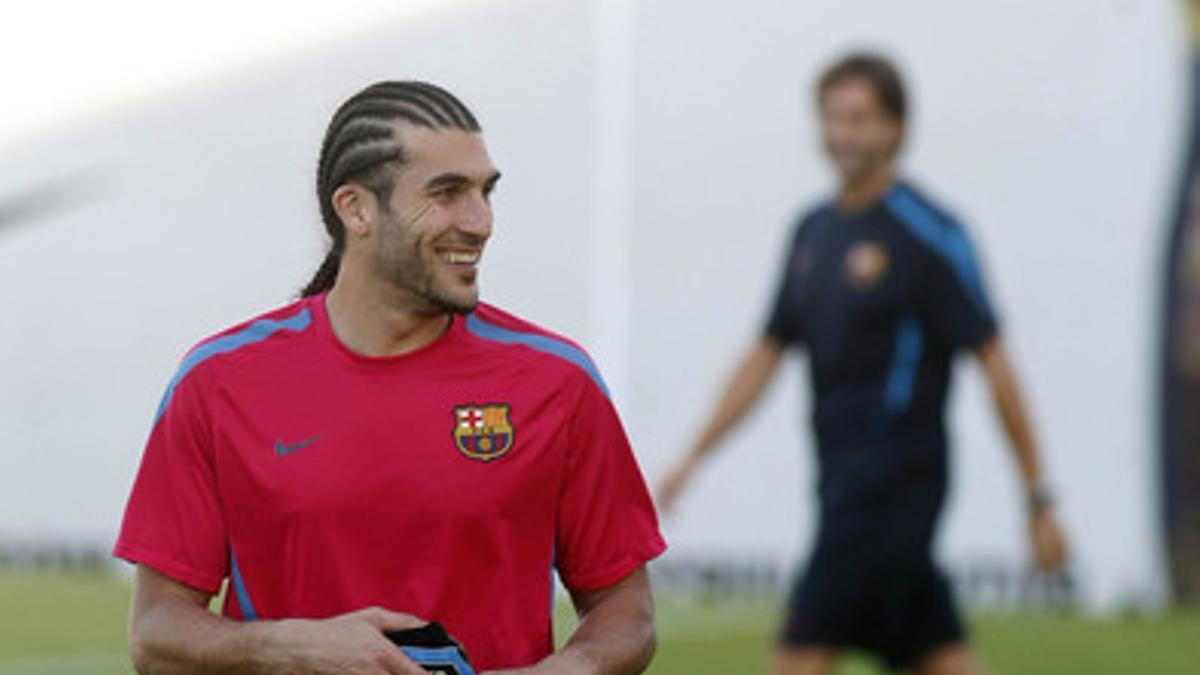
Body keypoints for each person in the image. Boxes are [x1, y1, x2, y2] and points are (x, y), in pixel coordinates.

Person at [114, 80, 666, 675]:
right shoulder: (217, 382)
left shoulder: (558, 382)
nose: (480, 222)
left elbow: (627, 613)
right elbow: (156, 634)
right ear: (355, 209)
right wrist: (292, 648)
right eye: (448, 192)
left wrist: (559, 674)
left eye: (486, 192)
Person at [656, 53, 1067, 675]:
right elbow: (766, 353)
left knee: (798, 654)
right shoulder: (813, 232)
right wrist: (694, 457)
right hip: (840, 482)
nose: (841, 133)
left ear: (896, 129)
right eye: (832, 117)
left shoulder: (930, 234)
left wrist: (1036, 498)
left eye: (859, 118)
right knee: (933, 649)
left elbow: (995, 362)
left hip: (896, 484)